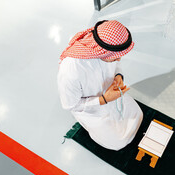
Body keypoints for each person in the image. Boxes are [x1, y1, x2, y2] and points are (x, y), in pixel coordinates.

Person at [57, 20, 143, 150]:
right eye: (115, 56)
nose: (119, 58)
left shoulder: (107, 52)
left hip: (110, 95)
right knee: (118, 142)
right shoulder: (71, 70)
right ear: (102, 51)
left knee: (137, 114)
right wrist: (104, 100)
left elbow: (116, 64)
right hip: (91, 108)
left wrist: (118, 76)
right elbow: (71, 105)